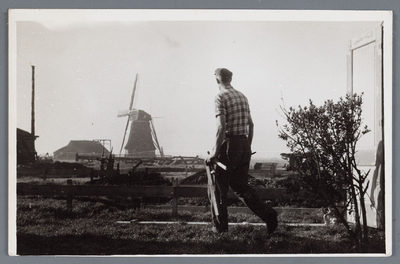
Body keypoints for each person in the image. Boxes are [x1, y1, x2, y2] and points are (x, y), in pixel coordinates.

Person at [206, 68, 278, 234]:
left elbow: (221, 126)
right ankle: (268, 214)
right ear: (230, 78)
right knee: (241, 187)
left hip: (229, 145)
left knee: (218, 189)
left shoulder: (220, 97)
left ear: (217, 80)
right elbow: (251, 125)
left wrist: (215, 153)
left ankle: (220, 229)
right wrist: (247, 146)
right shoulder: (242, 96)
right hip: (244, 144)